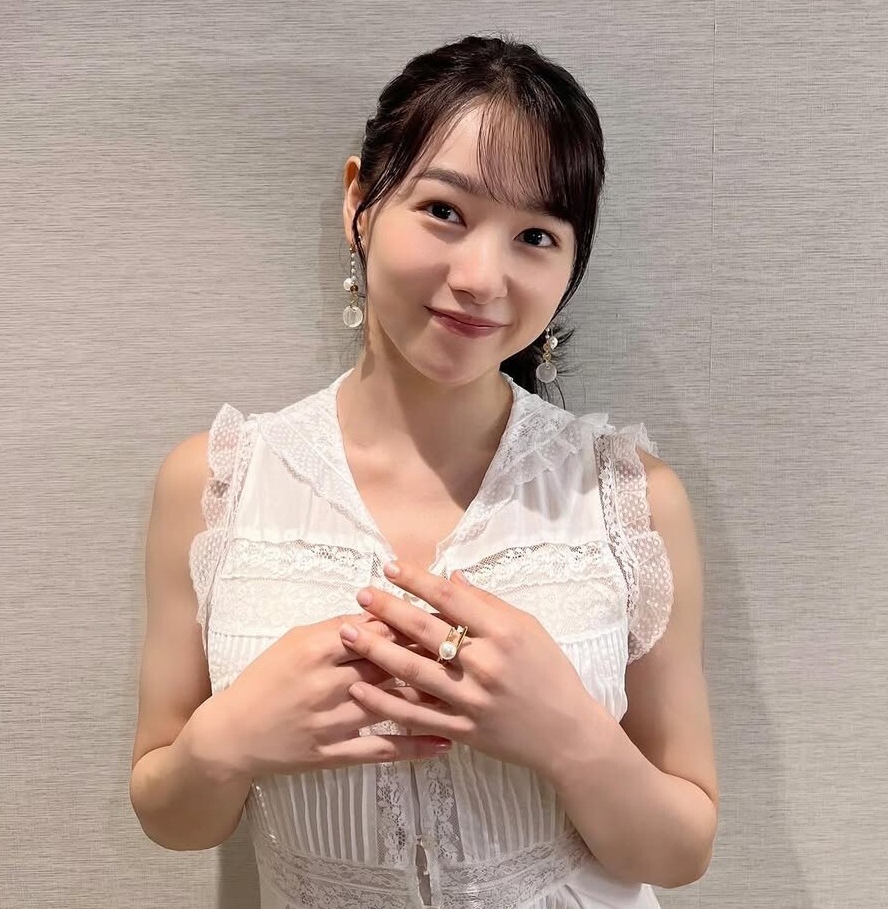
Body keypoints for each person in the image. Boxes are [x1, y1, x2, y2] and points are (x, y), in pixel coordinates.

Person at [130, 33, 718, 909]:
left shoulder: (629, 497)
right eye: (444, 210)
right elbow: (173, 816)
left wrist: (568, 732)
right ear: (359, 203)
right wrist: (227, 741)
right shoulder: (217, 482)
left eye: (535, 235)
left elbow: (680, 848)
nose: (481, 276)